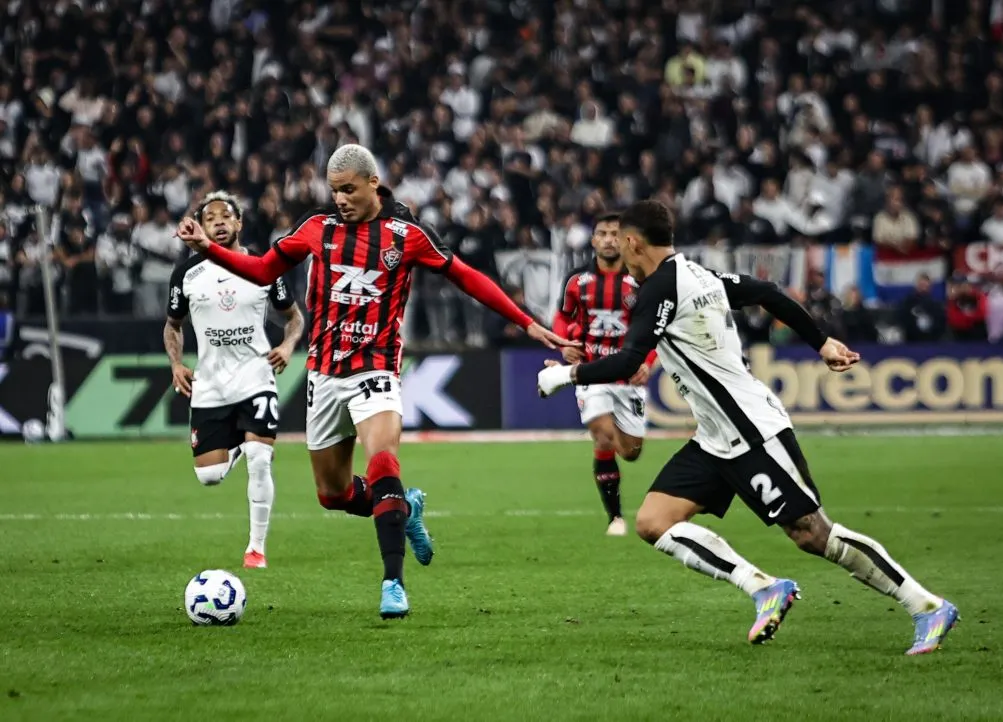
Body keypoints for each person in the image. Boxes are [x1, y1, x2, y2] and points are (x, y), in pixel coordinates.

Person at [537, 200, 959, 656]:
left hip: (753, 431)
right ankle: (763, 588)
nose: (619, 254)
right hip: (715, 437)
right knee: (654, 522)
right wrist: (821, 342)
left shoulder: (659, 289)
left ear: (633, 242)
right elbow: (768, 292)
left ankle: (927, 605)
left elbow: (630, 359)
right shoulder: (700, 275)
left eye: (621, 244)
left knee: (813, 534)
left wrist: (566, 376)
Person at [176, 144, 573, 618]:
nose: (340, 199)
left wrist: (525, 322)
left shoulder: (405, 235)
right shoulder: (316, 229)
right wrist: (209, 249)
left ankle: (393, 584)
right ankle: (404, 510)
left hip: (375, 369)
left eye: (348, 189)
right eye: (334, 190)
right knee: (333, 494)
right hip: (323, 376)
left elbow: (466, 277)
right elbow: (262, 270)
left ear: (372, 183)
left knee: (384, 462)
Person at [164, 191, 306, 569]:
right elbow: (172, 326)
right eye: (210, 218)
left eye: (226, 216)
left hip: (255, 377)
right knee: (209, 476)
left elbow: (294, 318)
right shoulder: (187, 276)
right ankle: (241, 444)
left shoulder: (261, 267)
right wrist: (177, 364)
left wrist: (290, 345)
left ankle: (256, 548)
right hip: (210, 384)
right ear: (202, 227)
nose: (220, 222)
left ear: (239, 223)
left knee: (262, 459)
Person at [552, 212, 657, 537]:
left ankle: (614, 447)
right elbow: (561, 318)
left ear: (626, 239)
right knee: (601, 433)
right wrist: (564, 346)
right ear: (594, 240)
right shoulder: (577, 280)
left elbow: (656, 326)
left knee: (631, 452)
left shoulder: (641, 280)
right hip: (591, 371)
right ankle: (616, 518)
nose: (609, 238)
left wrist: (647, 361)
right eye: (603, 233)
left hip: (628, 376)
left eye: (615, 233)